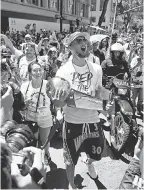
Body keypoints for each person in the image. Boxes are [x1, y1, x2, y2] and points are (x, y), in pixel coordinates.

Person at [55, 32, 111, 189]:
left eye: (84, 40)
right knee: (69, 160)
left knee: (98, 154)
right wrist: (59, 105)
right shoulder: (63, 71)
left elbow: (99, 91)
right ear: (70, 47)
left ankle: (89, 162)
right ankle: (72, 186)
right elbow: (57, 102)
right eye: (78, 40)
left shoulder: (97, 69)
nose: (83, 42)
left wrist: (108, 105)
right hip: (72, 123)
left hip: (93, 121)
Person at [20, 61, 62, 165]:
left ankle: (46, 156)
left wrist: (58, 112)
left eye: (40, 70)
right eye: (35, 70)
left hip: (45, 117)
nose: (38, 72)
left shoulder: (48, 84)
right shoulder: (24, 86)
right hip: (30, 118)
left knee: (45, 142)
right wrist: (25, 104)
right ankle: (34, 163)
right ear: (30, 72)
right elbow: (21, 107)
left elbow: (55, 101)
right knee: (32, 142)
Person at [130, 45, 143, 116]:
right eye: (140, 51)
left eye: (143, 51)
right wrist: (137, 65)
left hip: (142, 82)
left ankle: (139, 110)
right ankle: (132, 111)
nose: (141, 52)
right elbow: (130, 70)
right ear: (138, 51)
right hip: (135, 81)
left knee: (141, 99)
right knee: (133, 98)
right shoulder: (135, 59)